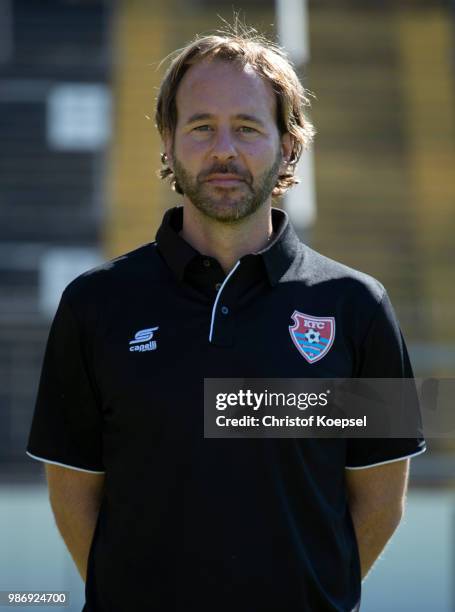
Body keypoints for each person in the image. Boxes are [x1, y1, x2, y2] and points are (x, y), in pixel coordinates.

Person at [27, 26, 425, 612]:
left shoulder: (359, 305)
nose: (224, 151)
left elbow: (380, 502)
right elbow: (75, 495)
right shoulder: (95, 303)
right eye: (200, 127)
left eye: (246, 127)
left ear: (288, 145)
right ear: (167, 141)